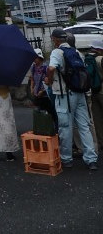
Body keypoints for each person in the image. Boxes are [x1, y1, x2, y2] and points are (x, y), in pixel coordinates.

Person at [45, 27, 98, 170]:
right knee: (84, 126)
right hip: (80, 93)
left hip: (65, 96)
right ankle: (91, 159)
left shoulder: (57, 52)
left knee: (65, 127)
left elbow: (51, 69)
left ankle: (66, 159)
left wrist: (48, 80)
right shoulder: (76, 52)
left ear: (55, 39)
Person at [29, 48, 58, 128]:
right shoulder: (33, 67)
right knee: (38, 112)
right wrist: (32, 88)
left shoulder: (45, 67)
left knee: (51, 112)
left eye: (35, 58)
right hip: (36, 94)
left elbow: (48, 81)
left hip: (46, 95)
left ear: (39, 57)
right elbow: (32, 78)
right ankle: (42, 128)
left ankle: (55, 128)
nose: (34, 60)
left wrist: (42, 91)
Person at [89, 39, 103, 151]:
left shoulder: (89, 59)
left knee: (97, 119)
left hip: (94, 92)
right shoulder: (101, 59)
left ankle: (100, 142)